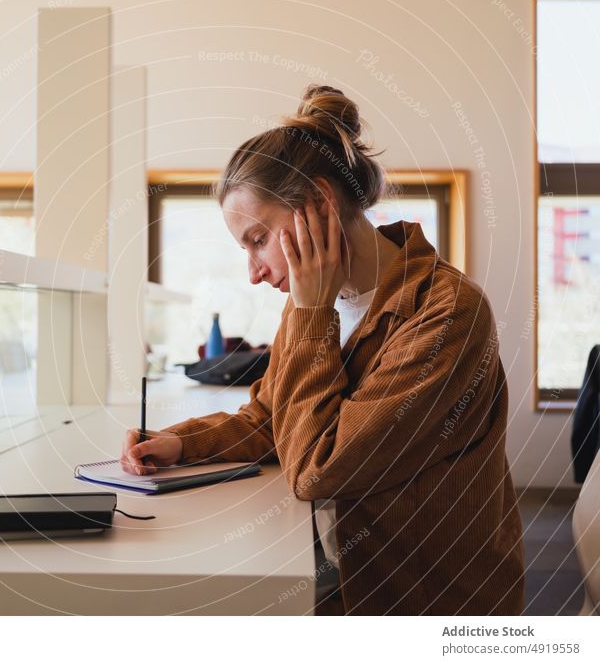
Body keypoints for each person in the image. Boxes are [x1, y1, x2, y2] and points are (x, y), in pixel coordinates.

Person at [119, 84, 525, 615]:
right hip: (347, 568)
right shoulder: (313, 302)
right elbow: (273, 416)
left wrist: (312, 316)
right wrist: (180, 442)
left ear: (319, 203)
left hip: (421, 600)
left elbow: (318, 467)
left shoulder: (447, 314)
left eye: (257, 240)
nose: (254, 272)